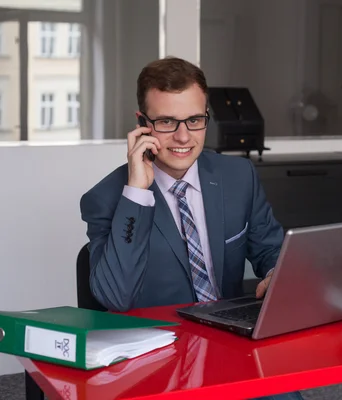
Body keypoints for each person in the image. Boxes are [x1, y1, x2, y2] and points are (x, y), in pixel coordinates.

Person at [80, 57, 303, 400]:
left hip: (232, 345)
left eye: (195, 120)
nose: (183, 136)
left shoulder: (238, 177)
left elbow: (270, 248)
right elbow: (115, 297)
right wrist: (137, 193)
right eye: (167, 121)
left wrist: (277, 272)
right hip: (156, 360)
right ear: (143, 124)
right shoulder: (107, 198)